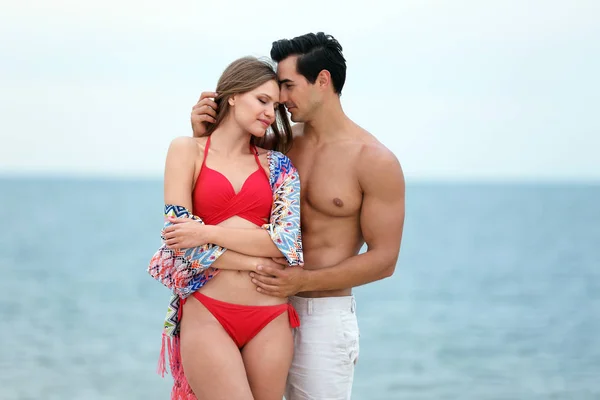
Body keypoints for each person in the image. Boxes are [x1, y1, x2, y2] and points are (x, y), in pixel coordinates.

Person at [191, 32, 406, 400]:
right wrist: (202, 132)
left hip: (323, 315)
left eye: (288, 86)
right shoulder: (279, 144)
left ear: (323, 81)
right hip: (260, 308)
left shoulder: (374, 160)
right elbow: (217, 185)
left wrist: (302, 280)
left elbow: (384, 260)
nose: (281, 99)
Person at [147, 56, 304, 400]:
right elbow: (179, 241)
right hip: (209, 314)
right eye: (261, 100)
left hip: (271, 319)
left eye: (275, 106)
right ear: (232, 95)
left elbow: (287, 245)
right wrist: (255, 259)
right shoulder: (185, 150)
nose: (269, 112)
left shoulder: (279, 166)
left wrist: (206, 232)